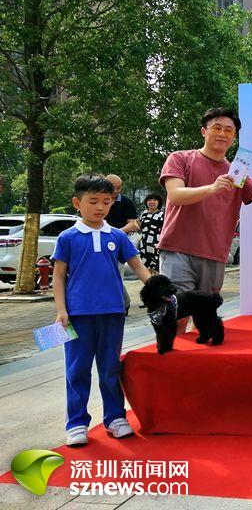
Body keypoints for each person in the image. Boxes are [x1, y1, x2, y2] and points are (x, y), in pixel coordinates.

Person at [158, 107, 252, 330]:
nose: (222, 134)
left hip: (214, 254)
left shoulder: (236, 173)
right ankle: (174, 353)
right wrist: (212, 188)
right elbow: (176, 195)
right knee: (177, 317)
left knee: (204, 319)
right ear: (204, 131)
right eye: (216, 128)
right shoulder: (180, 158)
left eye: (228, 130)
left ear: (234, 136)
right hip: (178, 251)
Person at [52, 174, 152, 447]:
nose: (100, 207)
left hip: (113, 312)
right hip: (77, 315)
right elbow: (58, 276)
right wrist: (61, 310)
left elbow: (137, 265)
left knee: (110, 367)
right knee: (77, 370)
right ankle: (76, 423)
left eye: (106, 202)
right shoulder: (68, 237)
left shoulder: (116, 236)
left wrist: (158, 288)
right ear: (77, 203)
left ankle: (115, 418)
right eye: (93, 201)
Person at [105, 174, 139, 311]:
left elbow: (133, 224)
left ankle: (121, 304)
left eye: (119, 188)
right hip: (100, 243)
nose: (116, 191)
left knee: (117, 274)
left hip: (118, 244)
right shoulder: (99, 200)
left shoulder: (125, 202)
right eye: (113, 187)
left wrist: (116, 233)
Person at [138, 193, 165, 274]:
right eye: (149, 200)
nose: (152, 202)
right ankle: (149, 281)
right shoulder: (144, 214)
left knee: (157, 267)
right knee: (146, 267)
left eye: (154, 200)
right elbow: (139, 226)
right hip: (144, 244)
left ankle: (157, 281)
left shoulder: (162, 214)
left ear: (158, 202)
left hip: (156, 244)